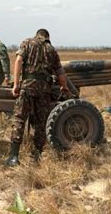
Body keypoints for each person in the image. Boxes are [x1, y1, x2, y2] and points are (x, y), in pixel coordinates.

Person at [5, 29, 69, 166]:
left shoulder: (27, 43)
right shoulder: (51, 50)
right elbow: (60, 72)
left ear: (37, 35)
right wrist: (64, 87)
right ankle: (37, 156)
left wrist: (16, 84)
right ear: (47, 37)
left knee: (19, 119)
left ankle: (14, 156)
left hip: (27, 87)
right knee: (41, 122)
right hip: (44, 90)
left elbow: (18, 61)